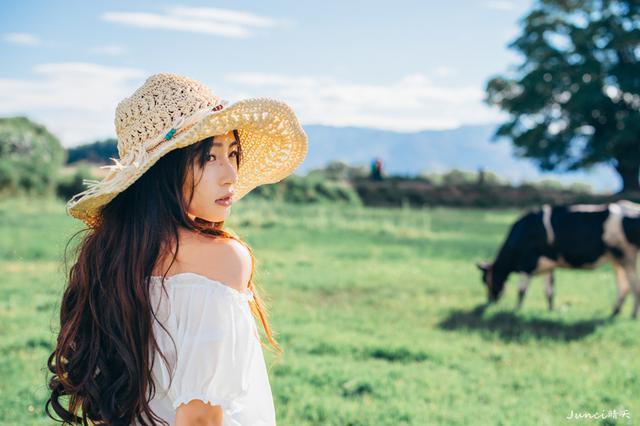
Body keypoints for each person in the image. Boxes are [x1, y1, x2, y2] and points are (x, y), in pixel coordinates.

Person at [45, 73, 308, 425]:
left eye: (232, 153)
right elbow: (199, 418)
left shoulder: (108, 257)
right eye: (208, 157)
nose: (230, 174)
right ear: (164, 171)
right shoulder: (221, 260)